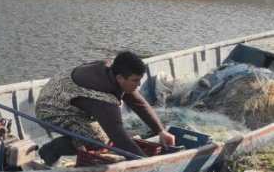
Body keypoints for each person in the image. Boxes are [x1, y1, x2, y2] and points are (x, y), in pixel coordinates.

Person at [34, 51, 175, 165]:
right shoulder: (102, 98)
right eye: (135, 80)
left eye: (140, 79)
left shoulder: (112, 70)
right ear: (120, 78)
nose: (138, 85)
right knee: (99, 140)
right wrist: (146, 162)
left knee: (105, 133)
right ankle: (50, 150)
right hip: (51, 110)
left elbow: (138, 103)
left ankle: (76, 141)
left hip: (66, 98)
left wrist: (161, 131)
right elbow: (119, 140)